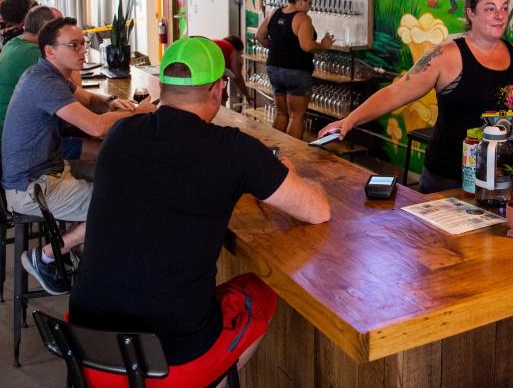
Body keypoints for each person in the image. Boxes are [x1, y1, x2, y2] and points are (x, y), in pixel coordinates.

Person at [69, 36, 330, 383]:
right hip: (169, 364)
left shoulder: (121, 135)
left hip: (87, 348)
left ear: (162, 86)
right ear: (218, 90)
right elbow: (317, 210)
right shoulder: (235, 150)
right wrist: (287, 171)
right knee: (263, 292)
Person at [320, 0, 513, 193]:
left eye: (504, 7)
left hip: (503, 178)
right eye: (490, 9)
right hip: (447, 178)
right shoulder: (444, 56)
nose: (500, 15)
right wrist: (349, 120)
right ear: (471, 13)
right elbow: (395, 92)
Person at [2, 16, 156, 294]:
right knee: (124, 204)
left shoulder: (49, 74)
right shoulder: (44, 83)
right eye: (74, 45)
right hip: (31, 187)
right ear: (50, 50)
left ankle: (92, 251)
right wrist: (138, 113)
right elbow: (95, 127)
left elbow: (87, 98)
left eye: (83, 44)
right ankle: (48, 254)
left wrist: (111, 102)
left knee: (118, 172)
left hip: (48, 170)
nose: (83, 50)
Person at [255, 0, 334, 139]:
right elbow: (307, 46)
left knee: (282, 113)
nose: (310, 6)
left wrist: (276, 47)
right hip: (296, 70)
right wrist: (324, 45)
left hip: (274, 69)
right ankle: (291, 157)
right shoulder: (302, 18)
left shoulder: (274, 12)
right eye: (309, 2)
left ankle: (274, 152)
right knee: (296, 116)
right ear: (300, 1)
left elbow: (259, 35)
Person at [0, 5, 61, 149]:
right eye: (61, 28)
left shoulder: (15, 42)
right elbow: (71, 91)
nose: (65, 32)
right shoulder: (31, 53)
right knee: (99, 148)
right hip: (14, 139)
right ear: (46, 28)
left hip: (0, 130)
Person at [212, 35, 252, 105]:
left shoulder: (215, 43)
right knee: (220, 113)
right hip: (216, 89)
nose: (239, 57)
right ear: (237, 49)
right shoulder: (231, 48)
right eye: (239, 54)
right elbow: (237, 77)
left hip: (200, 86)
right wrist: (247, 95)